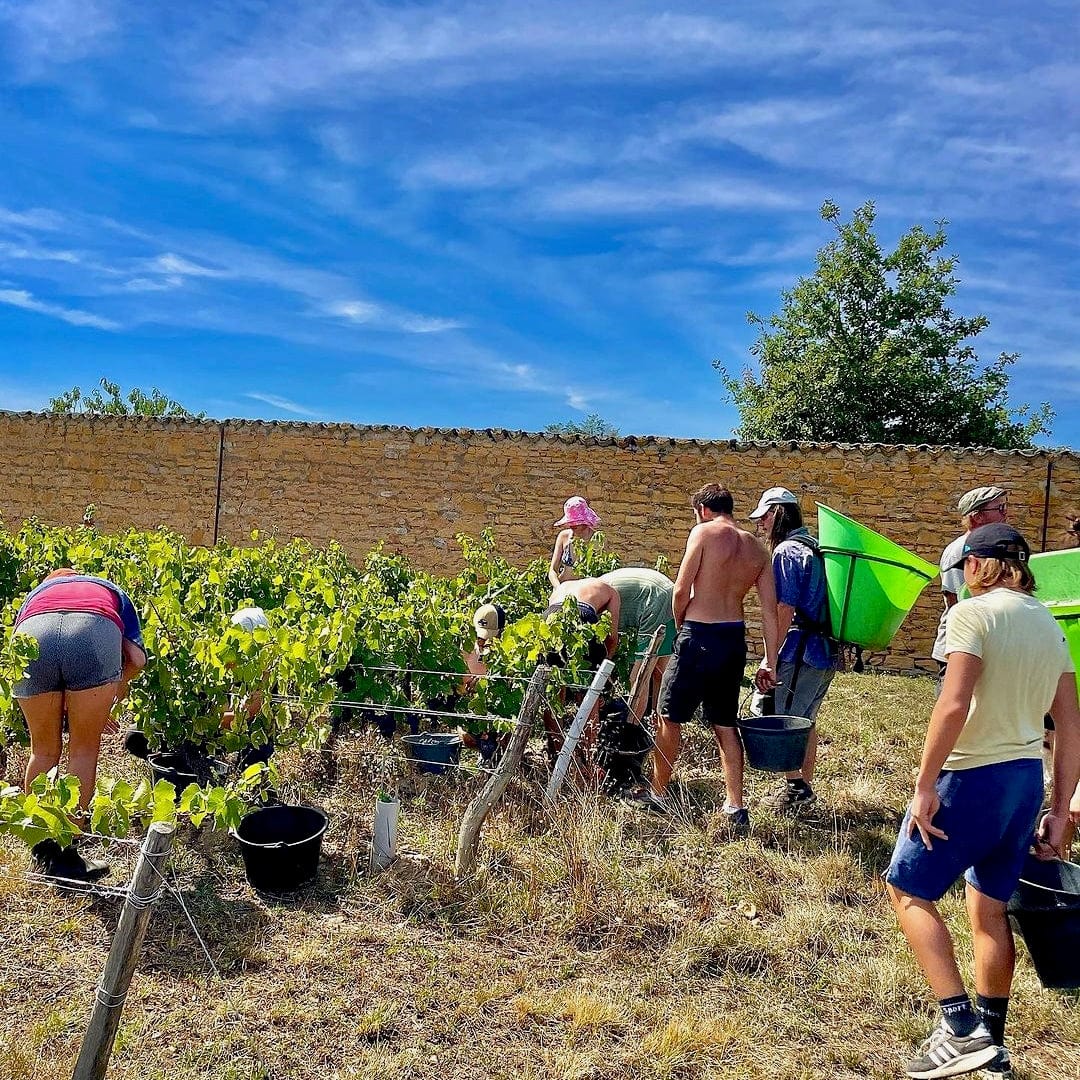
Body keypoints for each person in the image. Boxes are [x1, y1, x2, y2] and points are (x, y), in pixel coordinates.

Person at [885, 524, 1080, 1080]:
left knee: (907, 891)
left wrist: (924, 786)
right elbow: (1069, 723)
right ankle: (993, 1048)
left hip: (970, 777)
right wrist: (1060, 808)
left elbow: (953, 703)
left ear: (975, 566)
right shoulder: (1049, 624)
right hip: (1022, 783)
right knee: (988, 910)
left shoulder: (973, 614)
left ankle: (960, 1027)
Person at [651, 484, 779, 829]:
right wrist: (770, 660)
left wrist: (681, 624)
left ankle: (658, 793)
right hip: (732, 640)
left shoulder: (703, 532)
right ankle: (735, 806)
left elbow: (681, 589)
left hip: (699, 632)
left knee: (669, 715)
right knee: (725, 722)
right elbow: (769, 610)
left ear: (704, 510)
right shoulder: (757, 548)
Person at [13, 568, 146, 882]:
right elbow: (138, 659)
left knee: (42, 752)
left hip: (34, 632)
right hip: (93, 629)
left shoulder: (35, 597)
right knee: (82, 752)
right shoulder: (110, 589)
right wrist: (109, 690)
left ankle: (42, 845)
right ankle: (68, 855)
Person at [749, 487, 838, 810]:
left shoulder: (787, 552)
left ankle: (796, 788)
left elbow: (784, 609)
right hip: (825, 650)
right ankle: (801, 789)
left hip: (801, 651)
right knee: (807, 721)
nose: (761, 526)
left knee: (786, 720)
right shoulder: (816, 548)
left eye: (763, 518)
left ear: (776, 514)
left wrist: (769, 660)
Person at [932, 487, 1008, 689]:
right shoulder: (959, 551)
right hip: (960, 646)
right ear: (978, 516)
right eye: (1000, 508)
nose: (1005, 514)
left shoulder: (998, 548)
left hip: (986, 645)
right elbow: (959, 603)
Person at [599, 566, 676, 724]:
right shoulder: (591, 591)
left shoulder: (589, 608)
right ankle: (657, 729)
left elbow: (611, 643)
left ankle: (631, 729)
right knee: (659, 673)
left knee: (639, 675)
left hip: (655, 600)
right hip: (666, 592)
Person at [544, 576, 620, 664]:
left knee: (552, 664)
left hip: (549, 614)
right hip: (582, 611)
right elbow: (611, 635)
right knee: (591, 665)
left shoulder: (564, 585)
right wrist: (607, 661)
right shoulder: (611, 591)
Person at [549, 496, 601, 590]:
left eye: (576, 523)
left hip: (587, 592)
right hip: (563, 588)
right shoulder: (564, 536)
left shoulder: (597, 539)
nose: (572, 526)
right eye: (570, 523)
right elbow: (552, 570)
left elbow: (602, 573)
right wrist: (558, 588)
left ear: (585, 522)